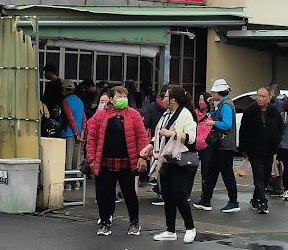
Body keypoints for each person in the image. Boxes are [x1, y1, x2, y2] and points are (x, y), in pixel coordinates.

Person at [86, 86, 150, 237]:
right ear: (111, 99)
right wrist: (92, 159)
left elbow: (142, 137)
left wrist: (143, 157)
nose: (123, 99)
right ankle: (104, 223)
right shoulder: (100, 116)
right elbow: (92, 139)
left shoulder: (133, 115)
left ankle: (134, 222)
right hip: (105, 161)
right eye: (120, 96)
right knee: (104, 194)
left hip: (128, 161)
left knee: (129, 194)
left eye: (125, 96)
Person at [142, 85, 198, 243]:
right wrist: (149, 146)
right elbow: (158, 135)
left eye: (165, 96)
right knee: (167, 195)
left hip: (179, 160)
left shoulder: (186, 114)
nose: (162, 99)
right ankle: (170, 230)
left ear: (173, 99)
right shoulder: (166, 114)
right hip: (165, 159)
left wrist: (173, 134)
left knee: (178, 194)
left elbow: (192, 137)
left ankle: (190, 228)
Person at [193, 79, 239, 213]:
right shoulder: (223, 103)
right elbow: (215, 117)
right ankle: (206, 199)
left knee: (226, 173)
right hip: (221, 145)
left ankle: (233, 201)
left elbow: (227, 124)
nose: (212, 95)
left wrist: (213, 123)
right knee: (213, 172)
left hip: (224, 145)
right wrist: (213, 109)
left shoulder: (226, 105)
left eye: (213, 92)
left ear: (219, 92)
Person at [237, 86, 283, 214]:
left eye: (263, 96)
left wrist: (277, 145)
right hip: (254, 149)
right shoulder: (250, 111)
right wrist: (243, 149)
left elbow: (279, 129)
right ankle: (263, 202)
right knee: (258, 176)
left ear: (269, 98)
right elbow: (243, 130)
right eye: (258, 96)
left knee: (266, 175)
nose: (260, 99)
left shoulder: (274, 111)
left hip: (269, 149)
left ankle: (255, 198)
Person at [61, 80, 87, 181]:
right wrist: (81, 133)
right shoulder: (79, 101)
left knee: (68, 158)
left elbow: (70, 118)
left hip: (69, 133)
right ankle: (76, 182)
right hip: (79, 134)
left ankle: (67, 182)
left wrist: (75, 133)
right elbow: (84, 118)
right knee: (76, 159)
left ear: (64, 89)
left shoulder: (66, 101)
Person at [265, 83, 285, 196]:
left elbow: (274, 122)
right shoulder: (281, 103)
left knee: (274, 162)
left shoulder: (277, 105)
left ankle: (275, 185)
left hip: (275, 139)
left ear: (272, 92)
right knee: (276, 162)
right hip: (277, 138)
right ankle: (275, 184)